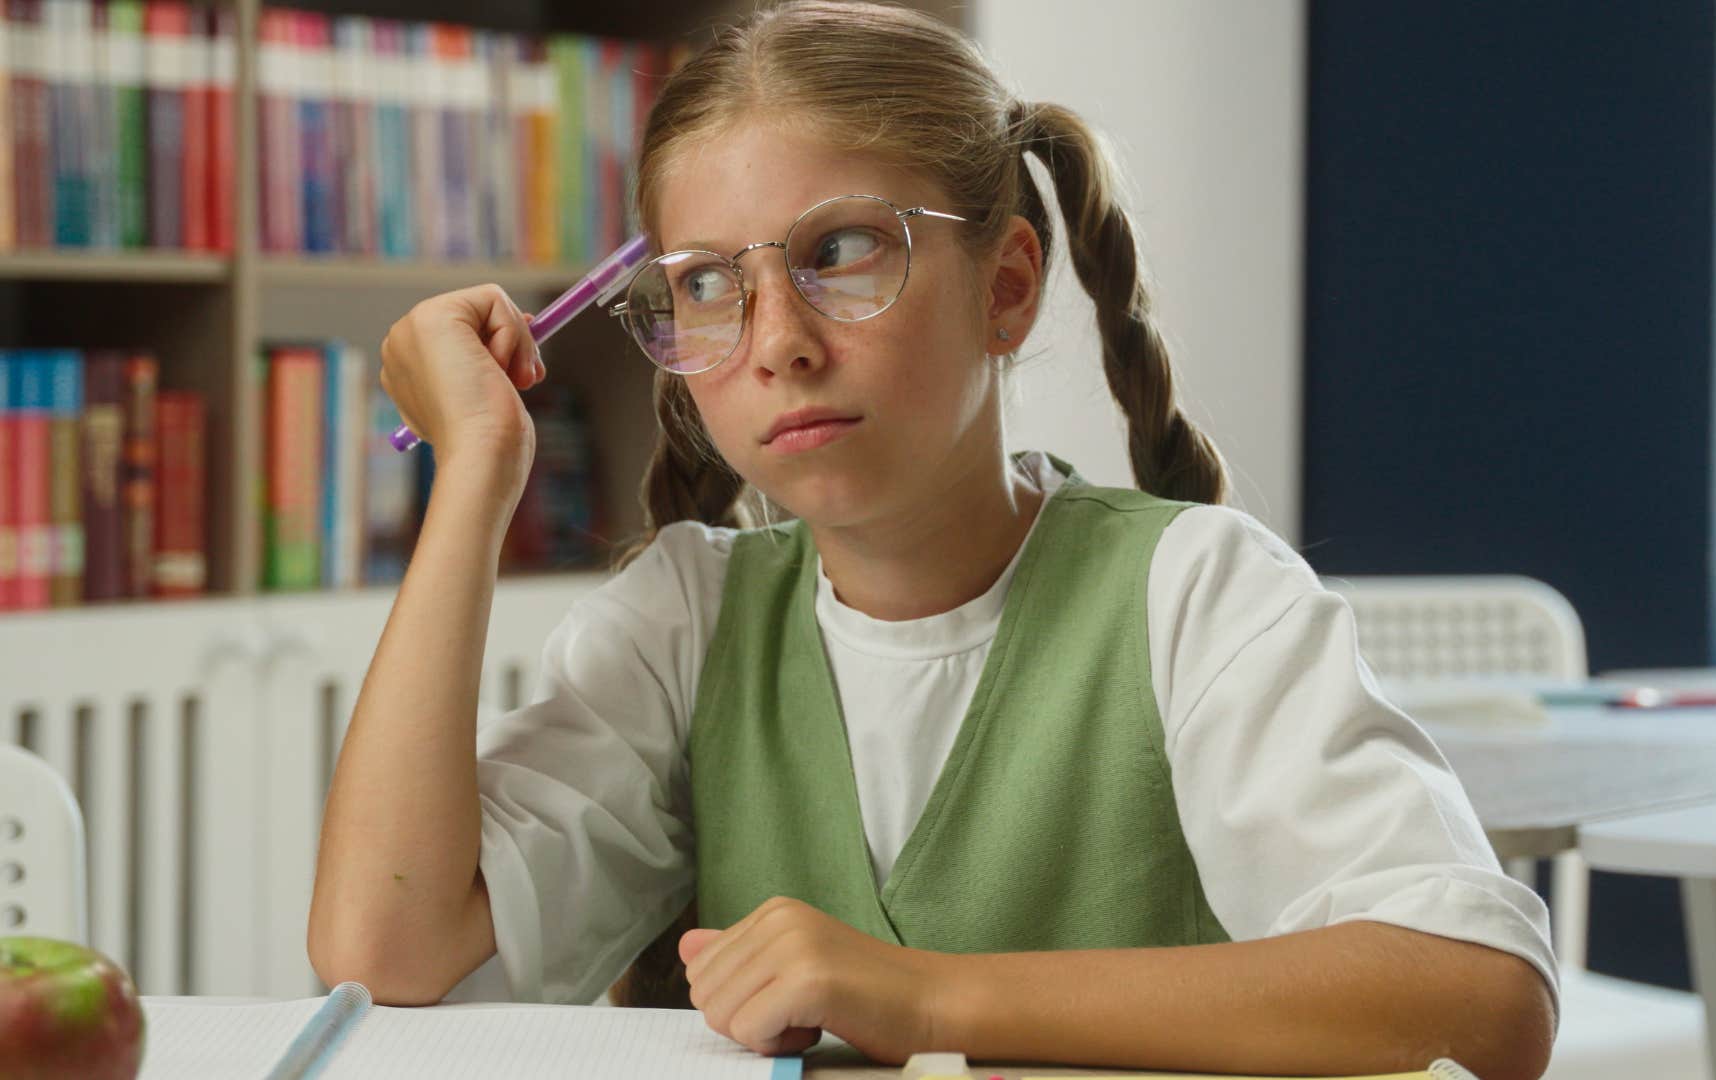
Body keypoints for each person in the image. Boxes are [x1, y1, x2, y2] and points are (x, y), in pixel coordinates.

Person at [308, 3, 1557, 1076]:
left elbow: (1483, 994)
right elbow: (388, 955)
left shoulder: (1194, 595)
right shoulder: (685, 623)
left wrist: (918, 995)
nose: (778, 340)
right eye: (706, 283)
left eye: (842, 253)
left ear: (1007, 287)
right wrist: (473, 478)